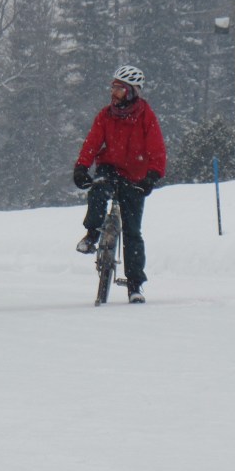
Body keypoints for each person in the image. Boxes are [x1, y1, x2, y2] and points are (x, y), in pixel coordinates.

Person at [73, 65, 166, 303]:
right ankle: (92, 234)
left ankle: (135, 285)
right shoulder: (106, 115)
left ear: (133, 91)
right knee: (97, 192)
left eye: (120, 89)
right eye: (113, 87)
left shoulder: (146, 117)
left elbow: (157, 150)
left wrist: (152, 176)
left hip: (135, 176)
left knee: (133, 232)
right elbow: (92, 142)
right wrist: (82, 166)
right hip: (110, 169)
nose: (114, 93)